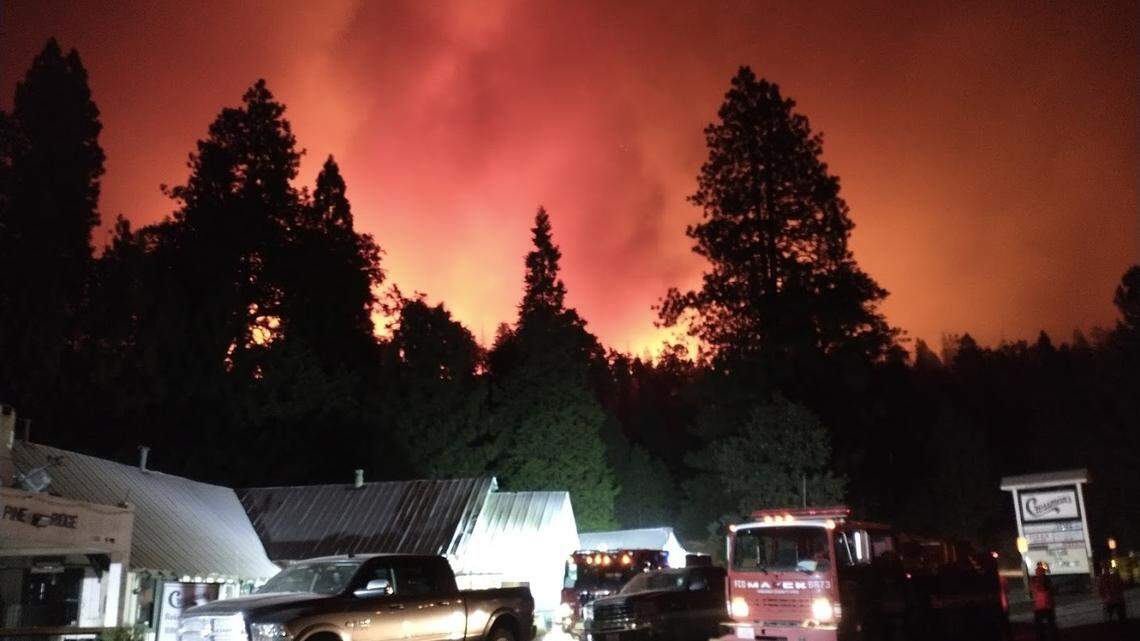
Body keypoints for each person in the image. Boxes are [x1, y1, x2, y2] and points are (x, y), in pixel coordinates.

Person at [1030, 561, 1057, 641]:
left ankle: (1042, 637)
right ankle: (1052, 637)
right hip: (1048, 605)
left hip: (1039, 606)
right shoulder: (1047, 580)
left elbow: (1032, 591)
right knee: (1051, 623)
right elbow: (1051, 591)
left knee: (1039, 625)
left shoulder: (1034, 580)